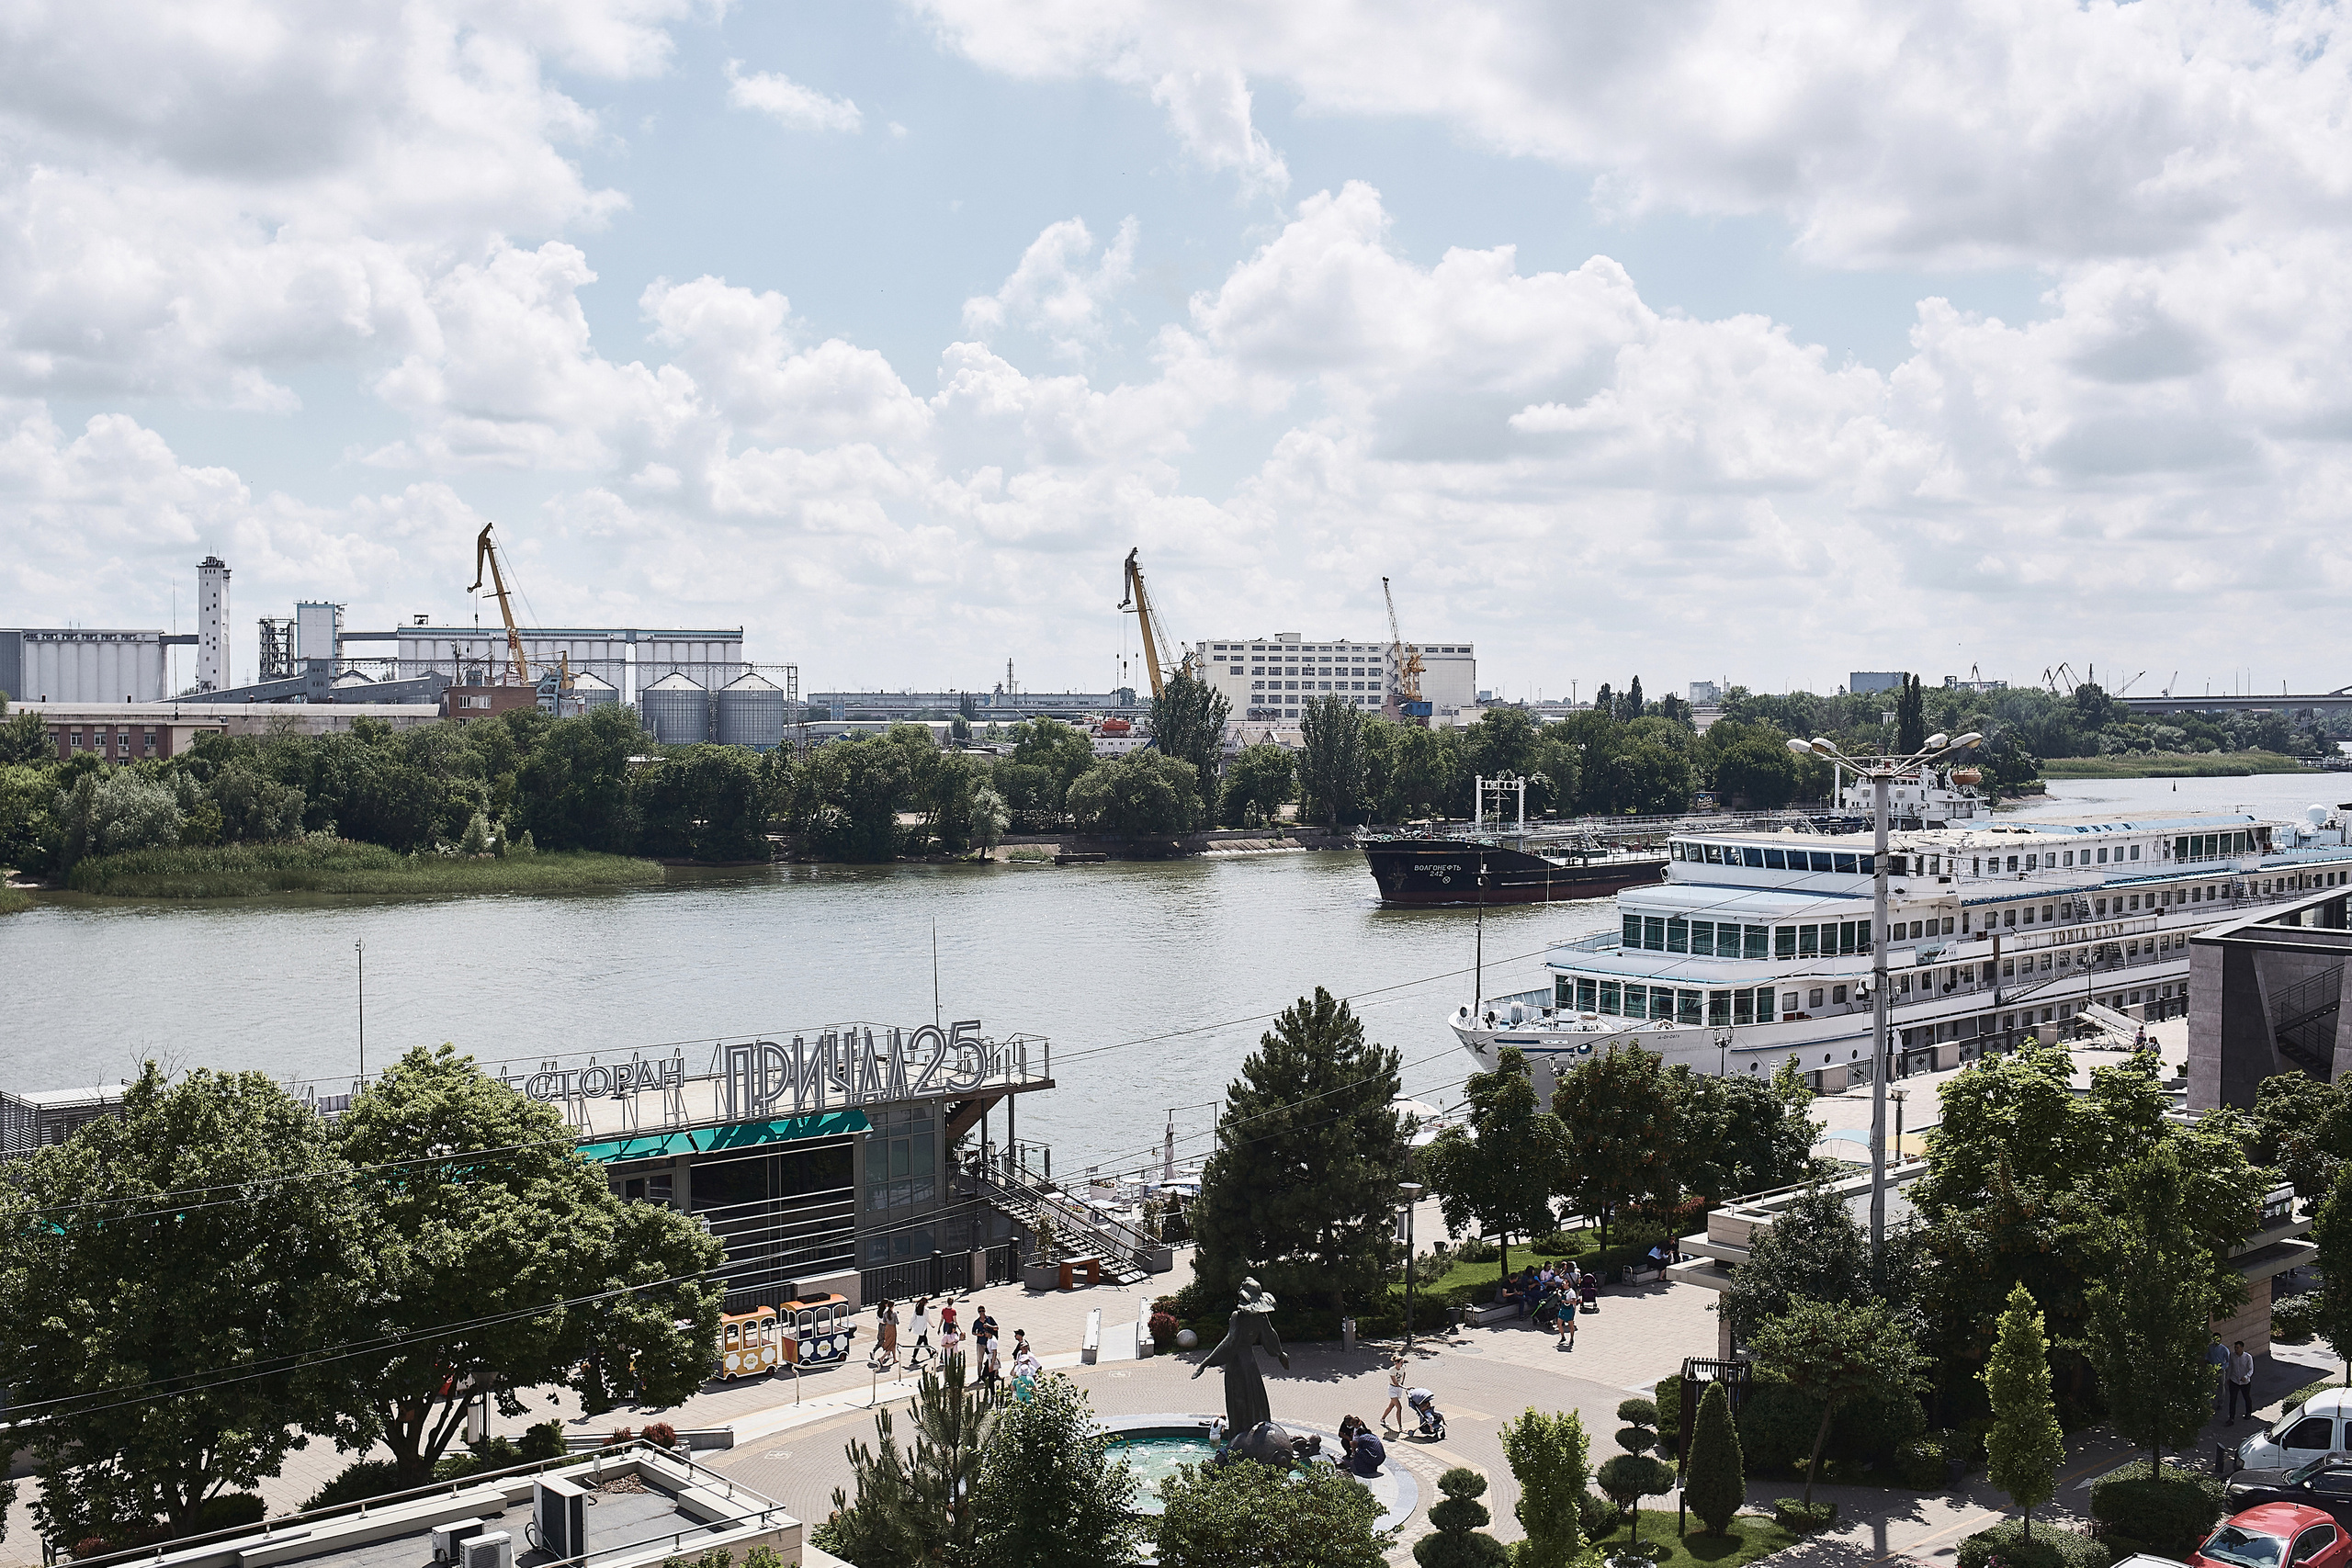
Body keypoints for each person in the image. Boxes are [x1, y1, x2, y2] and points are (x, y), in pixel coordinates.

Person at [2229, 1339, 2257, 1422]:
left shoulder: (2248, 1357)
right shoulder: (2232, 1356)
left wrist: (2246, 1376)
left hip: (2245, 1382)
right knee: (2232, 1399)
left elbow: (2251, 1369)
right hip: (2234, 1380)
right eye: (2235, 1348)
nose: (2236, 1350)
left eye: (2237, 1348)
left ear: (2242, 1348)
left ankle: (2248, 1412)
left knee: (2246, 1397)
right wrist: (2228, 1378)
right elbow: (2230, 1367)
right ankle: (2231, 1417)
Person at [1381, 1353, 1408, 1431]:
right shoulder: (1391, 1370)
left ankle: (1382, 1419)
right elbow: (1395, 1383)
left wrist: (1402, 1383)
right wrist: (1405, 1387)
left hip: (1398, 1389)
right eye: (1399, 1363)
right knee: (1399, 1408)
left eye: (1401, 1363)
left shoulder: (1403, 1368)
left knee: (1391, 1406)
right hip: (1392, 1389)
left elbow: (1404, 1374)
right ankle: (1400, 1427)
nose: (1400, 1364)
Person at [868, 1300, 899, 1370]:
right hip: (891, 1328)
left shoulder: (883, 1312)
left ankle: (894, 1358)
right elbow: (897, 1322)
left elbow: (884, 1320)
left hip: (885, 1327)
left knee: (892, 1343)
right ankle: (882, 1357)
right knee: (890, 1343)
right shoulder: (894, 1313)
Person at [2207, 1333, 2233, 1416]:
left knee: (2221, 1386)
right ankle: (2208, 1403)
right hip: (2211, 1369)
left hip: (2220, 1370)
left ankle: (2220, 1403)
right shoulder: (2210, 1347)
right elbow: (2207, 1357)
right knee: (2210, 1386)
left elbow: (2228, 1361)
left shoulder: (2224, 1349)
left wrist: (2223, 1368)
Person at [910, 1297, 933, 1366]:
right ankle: (914, 1357)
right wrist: (932, 1325)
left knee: (924, 1341)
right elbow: (928, 1318)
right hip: (923, 1328)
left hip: (918, 1327)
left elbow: (913, 1317)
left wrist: (910, 1326)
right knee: (920, 1342)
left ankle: (930, 1353)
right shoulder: (925, 1310)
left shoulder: (917, 1308)